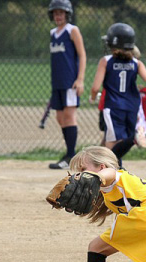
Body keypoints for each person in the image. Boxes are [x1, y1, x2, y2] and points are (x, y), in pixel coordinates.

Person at [90, 23, 146, 167]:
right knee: (126, 138)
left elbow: (95, 87)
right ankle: (120, 166)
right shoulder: (136, 63)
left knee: (111, 143)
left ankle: (113, 169)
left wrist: (93, 97)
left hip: (113, 107)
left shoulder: (106, 61)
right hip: (132, 107)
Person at [47, 0, 86, 170]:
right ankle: (69, 154)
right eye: (55, 13)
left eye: (61, 13)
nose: (58, 16)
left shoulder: (72, 30)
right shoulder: (53, 33)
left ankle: (71, 156)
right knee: (60, 118)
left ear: (67, 14)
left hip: (70, 81)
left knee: (69, 116)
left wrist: (80, 79)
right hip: (58, 82)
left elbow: (82, 55)